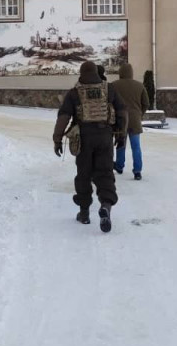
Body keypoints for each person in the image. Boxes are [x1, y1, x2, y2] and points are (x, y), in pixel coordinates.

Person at [53, 61, 126, 233]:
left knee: (83, 174)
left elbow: (63, 116)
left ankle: (84, 212)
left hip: (84, 138)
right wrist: (121, 134)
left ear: (81, 73)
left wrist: (57, 139)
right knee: (105, 172)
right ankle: (106, 206)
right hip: (105, 136)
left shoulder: (74, 92)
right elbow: (123, 111)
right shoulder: (109, 89)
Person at [111, 63, 150, 180]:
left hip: (120, 120)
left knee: (120, 143)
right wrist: (139, 114)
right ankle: (137, 171)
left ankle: (119, 165)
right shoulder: (139, 86)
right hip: (135, 120)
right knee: (136, 146)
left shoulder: (114, 85)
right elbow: (146, 103)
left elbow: (110, 102)